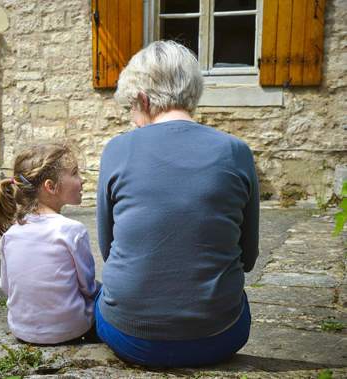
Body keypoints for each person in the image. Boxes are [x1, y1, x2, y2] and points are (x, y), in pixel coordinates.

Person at [96, 40, 260, 366]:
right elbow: (250, 257)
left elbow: (107, 247)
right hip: (219, 336)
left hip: (129, 336)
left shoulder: (116, 150)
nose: (133, 118)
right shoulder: (236, 151)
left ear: (143, 99)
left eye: (131, 106)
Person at [0, 142, 101, 344]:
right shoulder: (72, 230)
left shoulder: (11, 233)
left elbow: (6, 286)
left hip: (21, 330)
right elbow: (88, 287)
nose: (83, 179)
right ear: (51, 186)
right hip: (71, 330)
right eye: (75, 173)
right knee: (104, 291)